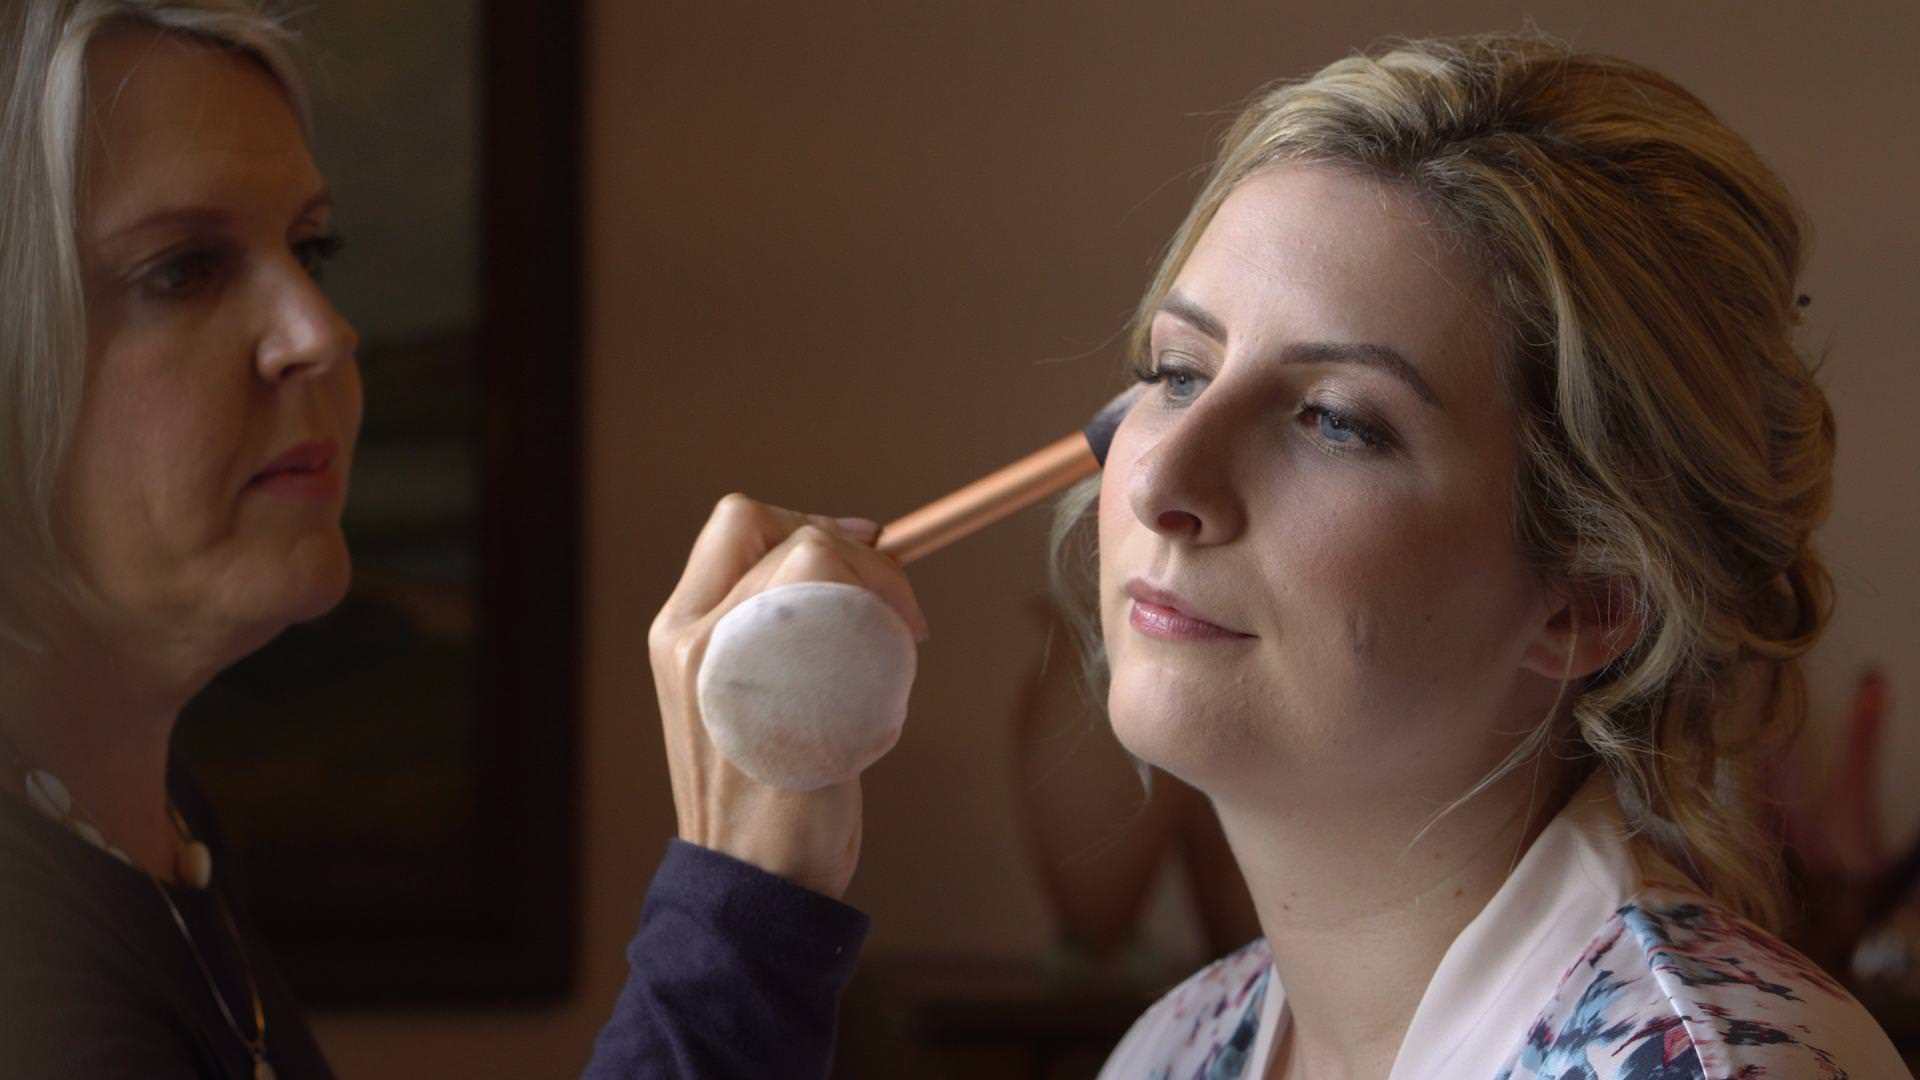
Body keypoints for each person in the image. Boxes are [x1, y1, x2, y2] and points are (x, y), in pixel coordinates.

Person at [647, 30, 1910, 1080]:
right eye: (1177, 372)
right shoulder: (1182, 1052)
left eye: (1336, 421)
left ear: (1590, 597)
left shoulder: (1696, 1065)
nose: (1160, 478)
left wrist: (736, 929)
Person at [0, 3, 876, 1077]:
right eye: (182, 269)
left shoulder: (150, 825)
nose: (323, 331)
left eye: (309, 247)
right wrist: (742, 902)